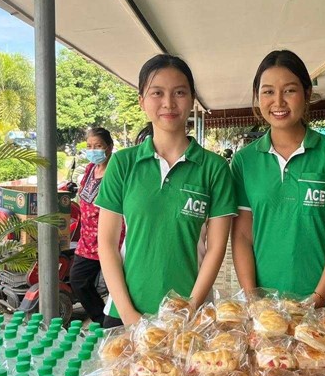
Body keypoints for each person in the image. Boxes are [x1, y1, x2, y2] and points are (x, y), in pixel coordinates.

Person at [95, 54, 237, 327]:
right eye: (157, 93)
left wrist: (189, 309)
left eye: (179, 93)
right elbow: (107, 244)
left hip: (192, 316)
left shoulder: (214, 168)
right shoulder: (123, 164)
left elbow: (216, 248)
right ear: (141, 101)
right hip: (125, 312)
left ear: (192, 99)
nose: (168, 103)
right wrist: (129, 316)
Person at [231, 49, 325, 308]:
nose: (278, 102)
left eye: (289, 90)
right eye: (268, 92)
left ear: (307, 93)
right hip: (266, 307)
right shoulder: (244, 161)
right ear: (257, 97)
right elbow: (242, 237)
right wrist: (253, 299)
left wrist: (317, 299)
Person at [68, 127, 115, 325]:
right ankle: (101, 320)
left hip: (109, 238)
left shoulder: (115, 171)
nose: (93, 150)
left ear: (109, 147)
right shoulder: (89, 169)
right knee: (78, 280)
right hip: (87, 239)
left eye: (98, 146)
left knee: (116, 283)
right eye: (89, 146)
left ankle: (118, 322)